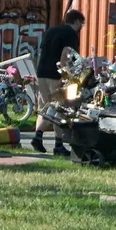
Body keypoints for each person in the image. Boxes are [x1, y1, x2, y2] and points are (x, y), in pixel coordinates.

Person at [32, 9, 85, 153]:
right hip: (56, 76)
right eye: (82, 23)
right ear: (76, 21)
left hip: (42, 72)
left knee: (46, 107)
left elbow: (41, 52)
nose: (82, 27)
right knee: (60, 107)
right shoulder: (71, 34)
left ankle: (40, 138)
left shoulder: (51, 31)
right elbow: (65, 54)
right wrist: (64, 76)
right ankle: (56, 143)